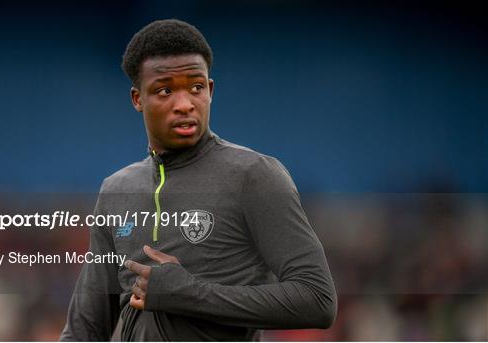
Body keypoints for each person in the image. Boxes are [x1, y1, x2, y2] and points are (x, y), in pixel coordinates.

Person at [60, 19, 337, 341]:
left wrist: (191, 293)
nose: (185, 104)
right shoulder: (116, 190)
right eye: (165, 90)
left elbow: (317, 300)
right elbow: (85, 330)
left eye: (196, 87)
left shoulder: (254, 176)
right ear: (138, 99)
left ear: (211, 90)